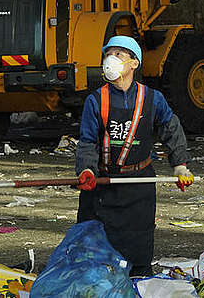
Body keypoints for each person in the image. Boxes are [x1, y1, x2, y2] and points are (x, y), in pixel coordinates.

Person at [75, 35, 195, 277]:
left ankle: (138, 280)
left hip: (139, 183)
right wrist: (86, 170)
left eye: (119, 54)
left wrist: (180, 165)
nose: (111, 58)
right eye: (108, 54)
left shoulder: (153, 99)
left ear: (134, 63)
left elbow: (171, 128)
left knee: (138, 246)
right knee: (93, 246)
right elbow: (88, 141)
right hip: (102, 185)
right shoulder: (95, 100)